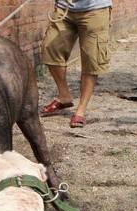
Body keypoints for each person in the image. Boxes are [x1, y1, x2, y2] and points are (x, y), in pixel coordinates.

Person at [41, 0, 112, 128]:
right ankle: (64, 96)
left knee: (92, 59)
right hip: (64, 8)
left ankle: (81, 108)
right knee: (50, 49)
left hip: (95, 10)